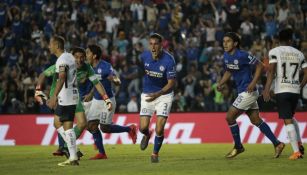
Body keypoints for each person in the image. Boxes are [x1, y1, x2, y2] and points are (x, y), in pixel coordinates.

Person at [217, 32, 285, 159]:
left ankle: (238, 146)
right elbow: (229, 70)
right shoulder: (226, 56)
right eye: (224, 41)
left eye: (228, 41)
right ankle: (278, 143)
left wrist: (253, 82)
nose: (225, 43)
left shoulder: (242, 55)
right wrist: (221, 83)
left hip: (248, 91)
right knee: (255, 120)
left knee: (229, 117)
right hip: (243, 91)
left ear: (235, 43)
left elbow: (260, 65)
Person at [86, 44, 137, 159]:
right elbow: (96, 83)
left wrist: (115, 80)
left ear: (94, 56)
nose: (86, 55)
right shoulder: (88, 67)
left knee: (104, 128)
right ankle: (102, 153)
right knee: (90, 126)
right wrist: (90, 94)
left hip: (107, 101)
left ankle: (130, 128)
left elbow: (115, 78)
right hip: (96, 100)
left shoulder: (105, 66)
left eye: (88, 53)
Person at [263, 28, 307, 160]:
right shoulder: (299, 53)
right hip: (294, 90)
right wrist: (300, 86)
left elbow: (271, 71)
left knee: (287, 121)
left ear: (278, 40)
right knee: (291, 117)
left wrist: (266, 89)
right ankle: (299, 143)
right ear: (290, 40)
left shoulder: (274, 52)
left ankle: (296, 152)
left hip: (282, 90)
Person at [138, 33, 176, 163]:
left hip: (164, 95)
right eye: (151, 44)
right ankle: (147, 135)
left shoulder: (169, 60)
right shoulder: (144, 56)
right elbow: (141, 70)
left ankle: (155, 153)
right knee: (142, 128)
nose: (153, 47)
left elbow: (171, 82)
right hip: (148, 93)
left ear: (161, 45)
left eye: (156, 44)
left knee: (159, 128)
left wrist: (158, 93)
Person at [45, 35, 79, 166]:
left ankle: (74, 156)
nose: (49, 46)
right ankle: (74, 150)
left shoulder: (62, 60)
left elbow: (62, 77)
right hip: (71, 94)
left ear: (57, 46)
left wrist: (54, 96)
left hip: (67, 96)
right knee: (57, 122)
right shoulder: (69, 56)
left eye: (50, 44)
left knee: (68, 127)